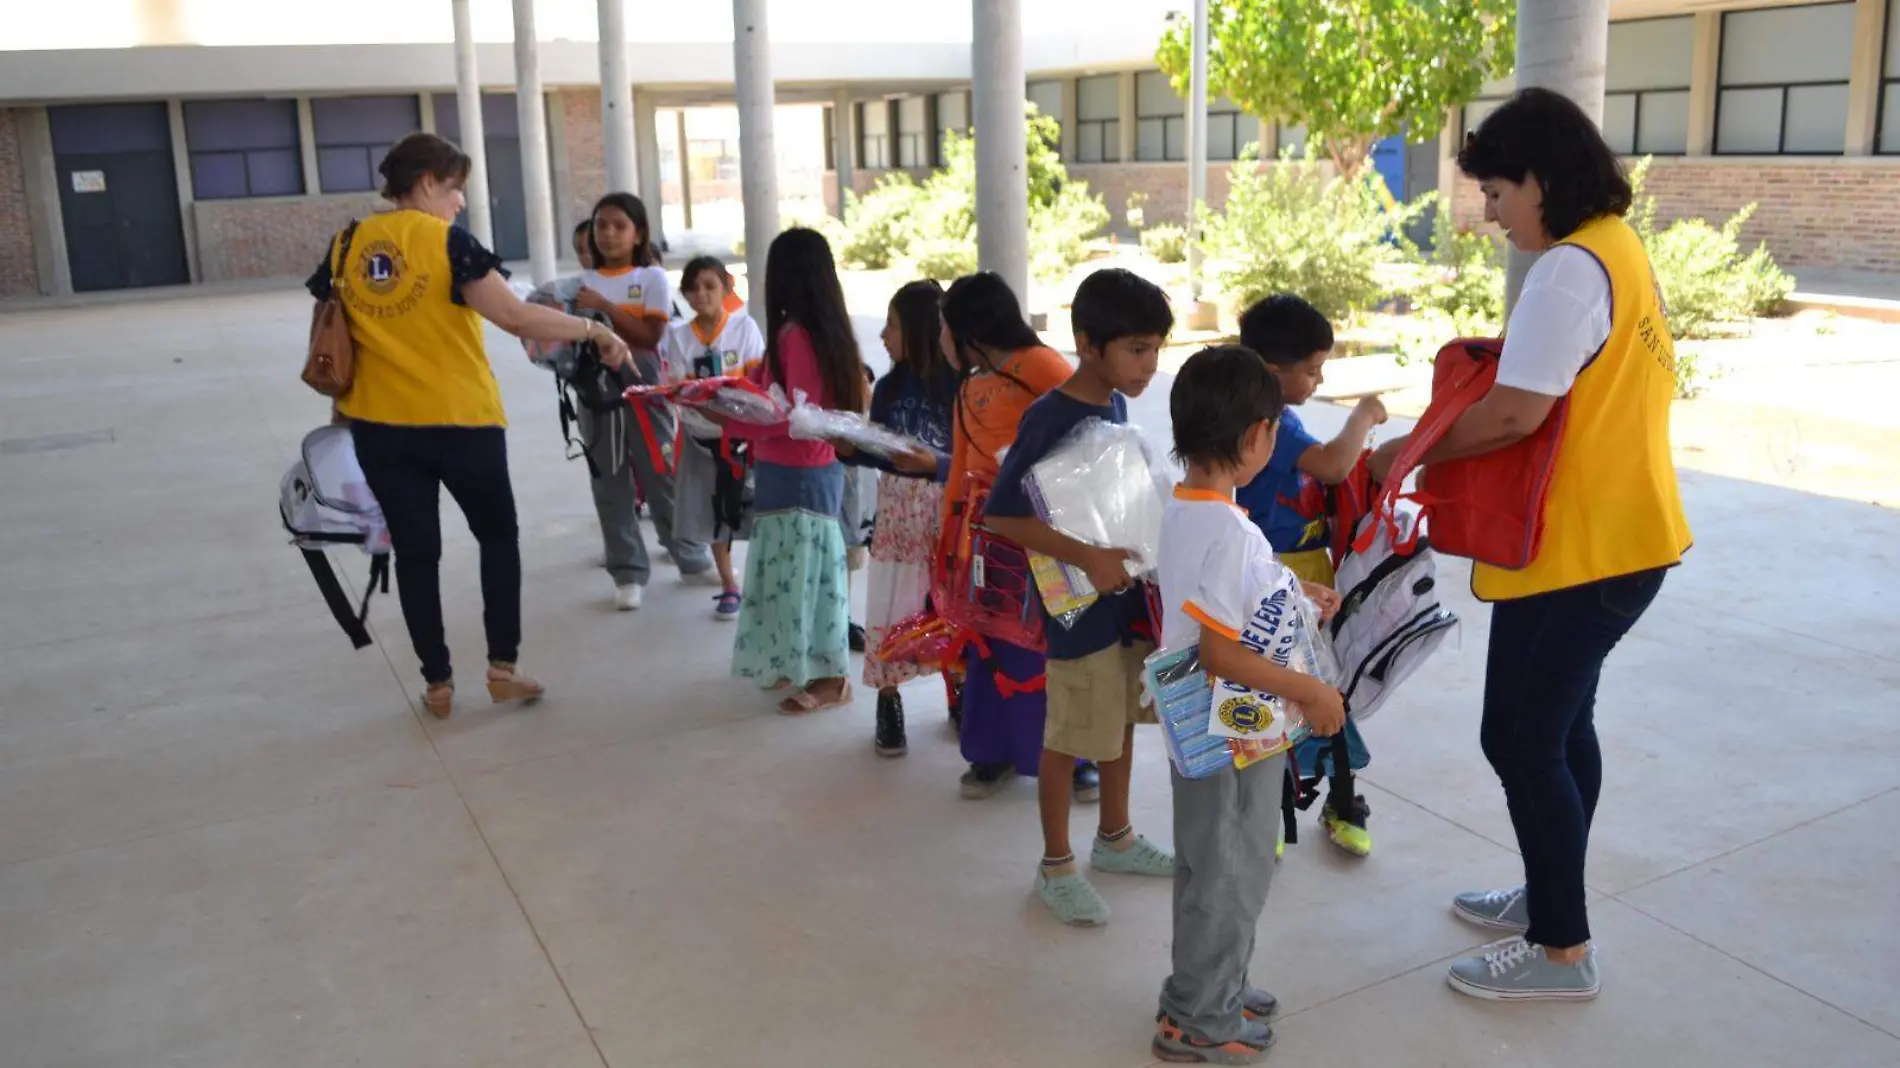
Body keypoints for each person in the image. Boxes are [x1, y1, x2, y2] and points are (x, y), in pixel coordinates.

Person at [1368, 87, 1692, 1002]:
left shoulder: (1566, 271)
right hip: (1621, 539)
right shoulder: (1617, 250)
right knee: (1556, 729)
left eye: (1498, 192)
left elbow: (1515, 412)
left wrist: (1413, 448)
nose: (1490, 212)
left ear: (1542, 180)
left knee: (1519, 740)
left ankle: (1563, 950)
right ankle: (1553, 894)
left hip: (1586, 553)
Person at [305, 132, 633, 719]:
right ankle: (502, 668)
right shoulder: (446, 242)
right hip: (461, 422)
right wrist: (594, 329)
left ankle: (437, 683)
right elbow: (511, 314)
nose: (459, 202)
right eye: (455, 189)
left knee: (416, 554)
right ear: (428, 183)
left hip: (380, 426)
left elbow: (333, 331)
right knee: (498, 539)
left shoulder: (347, 243)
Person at [1154, 344, 1345, 1064]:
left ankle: (1210, 984)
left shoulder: (1190, 511)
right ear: (1257, 437)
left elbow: (1225, 610)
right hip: (1231, 726)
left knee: (1210, 864)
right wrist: (1312, 691)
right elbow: (1220, 651)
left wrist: (1296, 599)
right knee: (1232, 869)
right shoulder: (1231, 530)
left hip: (1200, 729)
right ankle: (1200, 1017)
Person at [984, 268, 1177, 927]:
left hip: (1121, 601)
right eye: (1136, 348)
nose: (1149, 363)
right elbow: (1002, 516)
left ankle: (1116, 836)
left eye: (1155, 348)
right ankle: (1056, 863)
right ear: (1087, 343)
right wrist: (1090, 558)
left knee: (1119, 716)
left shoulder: (1114, 406)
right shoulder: (1050, 417)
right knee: (1069, 732)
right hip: (1076, 607)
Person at [1233, 294, 1389, 858]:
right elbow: (1332, 464)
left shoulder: (1281, 416)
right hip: (1276, 583)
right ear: (1274, 372)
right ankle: (1270, 807)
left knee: (1325, 694)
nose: (1318, 378)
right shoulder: (1264, 421)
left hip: (1309, 580)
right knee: (1288, 699)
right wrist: (1362, 416)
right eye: (1313, 369)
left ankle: (1339, 796)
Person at [937, 272, 1073, 800]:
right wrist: (948, 540)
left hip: (1047, 536)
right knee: (991, 644)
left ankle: (1072, 754)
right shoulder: (969, 387)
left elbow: (1085, 431)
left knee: (1054, 647)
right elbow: (960, 469)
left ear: (969, 330)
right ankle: (992, 752)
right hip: (987, 542)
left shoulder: (1042, 366)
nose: (942, 341)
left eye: (945, 328)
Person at [723, 228, 870, 713]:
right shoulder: (810, 334)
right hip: (793, 471)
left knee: (811, 574)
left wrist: (736, 416)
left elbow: (797, 419)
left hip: (800, 471)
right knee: (794, 573)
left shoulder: (796, 337)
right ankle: (800, 659)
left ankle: (831, 678)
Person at [575, 192, 716, 611]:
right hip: (595, 394)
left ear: (639, 234)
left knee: (660, 471)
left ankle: (688, 555)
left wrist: (602, 310)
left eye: (620, 226)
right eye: (602, 225)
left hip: (645, 387)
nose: (609, 234)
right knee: (609, 481)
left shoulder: (650, 279)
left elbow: (649, 337)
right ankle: (627, 571)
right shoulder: (582, 284)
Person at [842, 280, 958, 758]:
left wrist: (939, 469)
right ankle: (889, 704)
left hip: (948, 514)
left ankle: (962, 695)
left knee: (951, 605)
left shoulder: (960, 385)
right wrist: (850, 450)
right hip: (898, 516)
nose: (885, 336)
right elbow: (881, 454)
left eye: (892, 324)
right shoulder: (888, 388)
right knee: (892, 607)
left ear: (919, 329)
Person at [657, 256, 764, 620]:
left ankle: (762, 581)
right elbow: (676, 389)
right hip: (701, 437)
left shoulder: (745, 328)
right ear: (684, 294)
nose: (701, 294)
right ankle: (729, 585)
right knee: (713, 510)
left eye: (709, 286)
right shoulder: (678, 336)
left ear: (726, 288)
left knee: (755, 510)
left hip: (744, 437)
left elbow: (757, 383)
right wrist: (691, 395)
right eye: (693, 288)